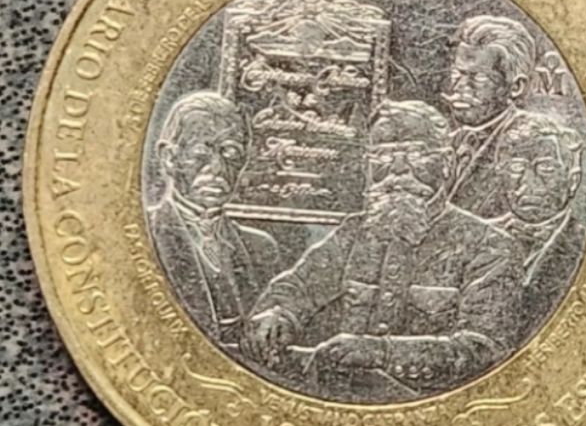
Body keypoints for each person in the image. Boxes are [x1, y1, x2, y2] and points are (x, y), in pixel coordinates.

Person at [242, 100, 519, 402]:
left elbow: (484, 349)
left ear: (447, 164)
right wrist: (278, 314)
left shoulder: (489, 245)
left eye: (415, 155)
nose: (397, 170)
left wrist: (383, 353)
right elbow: (298, 286)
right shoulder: (353, 233)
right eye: (383, 157)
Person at [148, 91, 280, 344]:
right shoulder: (145, 235)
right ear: (169, 158)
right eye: (201, 153)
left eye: (230, 153)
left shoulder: (261, 248)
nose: (217, 168)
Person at [440, 14, 536, 218]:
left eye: (478, 77)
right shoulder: (443, 141)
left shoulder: (530, 150)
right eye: (457, 73)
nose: (459, 86)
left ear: (516, 87)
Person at [488, 111, 586, 295]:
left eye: (546, 168)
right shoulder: (477, 240)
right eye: (517, 167)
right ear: (500, 176)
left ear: (573, 180)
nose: (529, 183)